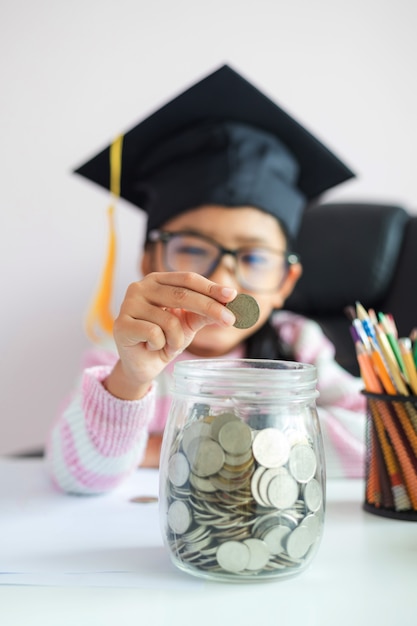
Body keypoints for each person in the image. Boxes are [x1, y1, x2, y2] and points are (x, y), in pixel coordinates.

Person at [46, 65, 365, 494]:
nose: (223, 278)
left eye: (253, 256)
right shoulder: (116, 359)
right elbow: (77, 477)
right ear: (150, 261)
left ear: (286, 281)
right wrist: (131, 380)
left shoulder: (299, 345)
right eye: (194, 249)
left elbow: (380, 442)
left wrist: (174, 445)